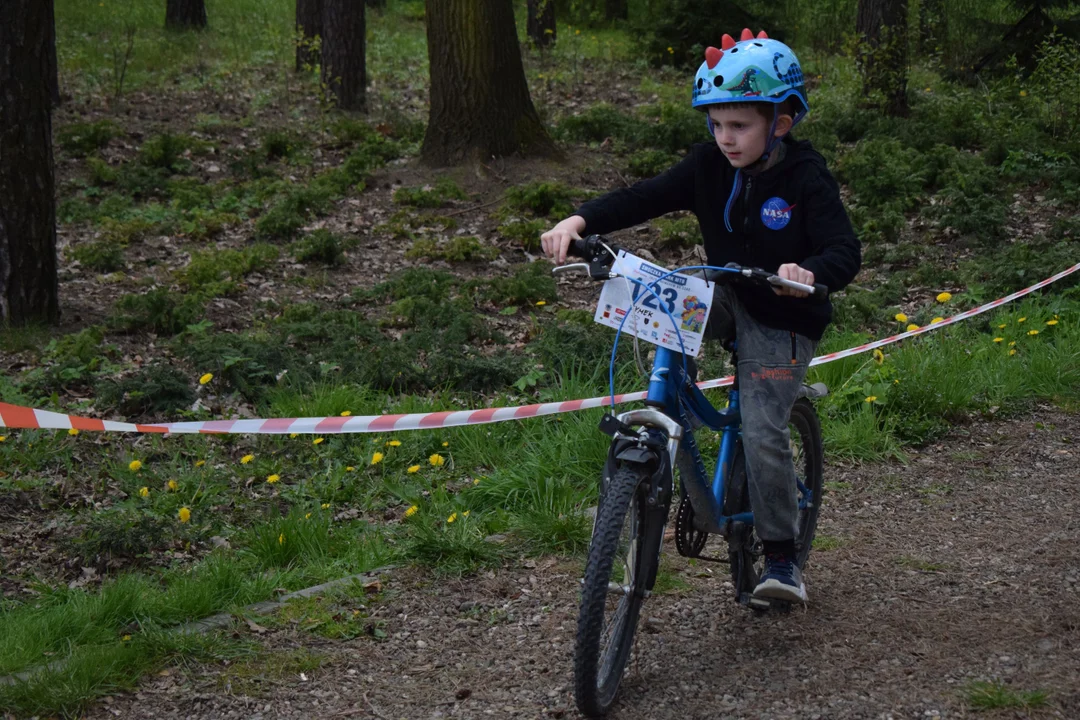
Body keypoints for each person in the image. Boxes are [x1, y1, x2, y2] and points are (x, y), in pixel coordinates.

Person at [540, 29, 861, 603]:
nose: (725, 138)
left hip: (783, 317)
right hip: (727, 293)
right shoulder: (708, 166)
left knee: (763, 429)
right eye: (715, 124)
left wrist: (810, 274)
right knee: (661, 293)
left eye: (739, 126)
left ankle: (782, 558)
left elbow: (844, 250)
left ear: (780, 124)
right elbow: (644, 196)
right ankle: (667, 403)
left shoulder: (806, 177)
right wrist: (579, 223)